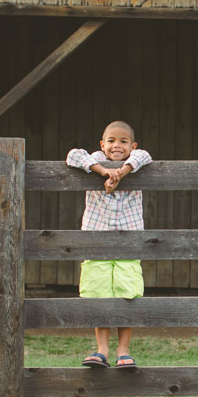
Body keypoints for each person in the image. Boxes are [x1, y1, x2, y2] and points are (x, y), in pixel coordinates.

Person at [66, 120, 152, 368]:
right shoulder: (93, 160)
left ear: (132, 145)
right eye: (111, 141)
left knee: (128, 294)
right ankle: (102, 348)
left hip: (129, 244)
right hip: (96, 243)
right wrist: (104, 171)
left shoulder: (137, 161)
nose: (117, 145)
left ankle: (123, 350)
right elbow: (73, 155)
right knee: (98, 293)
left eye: (123, 141)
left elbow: (144, 156)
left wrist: (121, 172)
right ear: (102, 145)